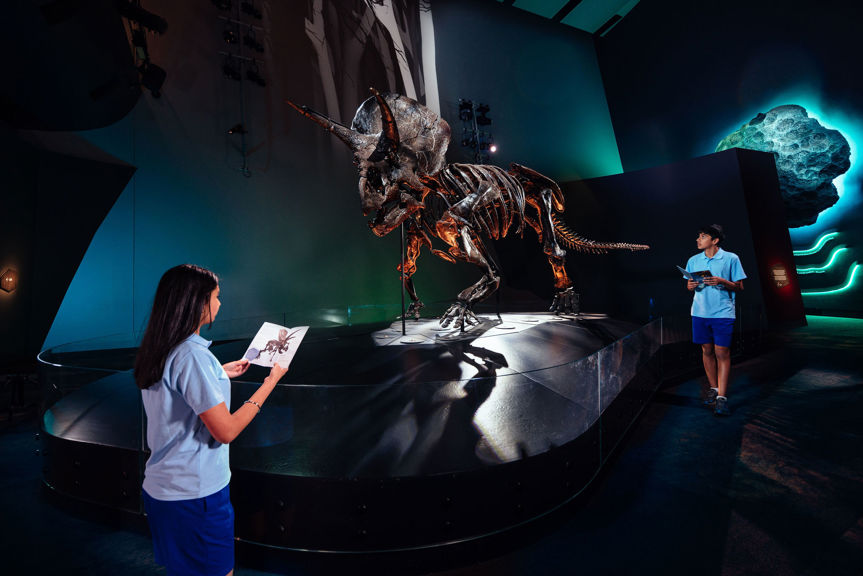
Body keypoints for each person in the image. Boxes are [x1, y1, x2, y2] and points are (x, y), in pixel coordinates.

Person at [134, 264, 288, 576]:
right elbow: (225, 431)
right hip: (196, 497)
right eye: (216, 297)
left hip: (162, 493)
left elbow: (178, 388)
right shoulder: (193, 358)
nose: (219, 303)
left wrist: (220, 371)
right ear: (198, 302)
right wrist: (269, 384)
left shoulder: (162, 348)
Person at [685, 224, 746, 416]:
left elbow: (739, 287)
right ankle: (714, 388)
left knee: (722, 352)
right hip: (699, 313)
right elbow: (689, 286)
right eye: (699, 236)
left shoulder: (731, 258)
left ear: (715, 240)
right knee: (706, 350)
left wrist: (721, 281)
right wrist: (691, 285)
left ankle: (722, 398)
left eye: (702, 236)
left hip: (722, 313)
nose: (698, 239)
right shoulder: (693, 260)